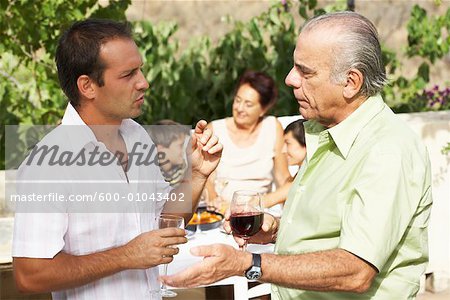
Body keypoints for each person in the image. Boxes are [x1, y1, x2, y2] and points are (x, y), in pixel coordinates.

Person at [161, 11, 432, 299]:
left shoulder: (387, 150)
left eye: (306, 72)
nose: (290, 79)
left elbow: (355, 269)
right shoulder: (326, 131)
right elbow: (330, 232)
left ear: (351, 82)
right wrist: (277, 230)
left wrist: (248, 264)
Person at [11, 19, 222, 300]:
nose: (143, 82)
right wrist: (127, 256)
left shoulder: (136, 135)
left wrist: (196, 175)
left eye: (141, 70)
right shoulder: (47, 165)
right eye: (128, 74)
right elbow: (29, 274)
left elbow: (163, 219)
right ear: (87, 86)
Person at [205, 70, 291, 210]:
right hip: (219, 210)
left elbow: (282, 176)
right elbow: (203, 176)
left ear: (263, 109)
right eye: (237, 100)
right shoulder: (215, 129)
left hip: (258, 210)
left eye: (248, 104)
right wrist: (213, 197)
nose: (239, 108)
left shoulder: (272, 127)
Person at [261, 119, 307, 208]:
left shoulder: (306, 178)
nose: (283, 150)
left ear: (306, 144)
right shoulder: (298, 176)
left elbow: (267, 201)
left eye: (288, 143)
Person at [149, 120, 190, 187]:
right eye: (180, 146)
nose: (184, 149)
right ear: (161, 149)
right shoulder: (150, 175)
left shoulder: (183, 169)